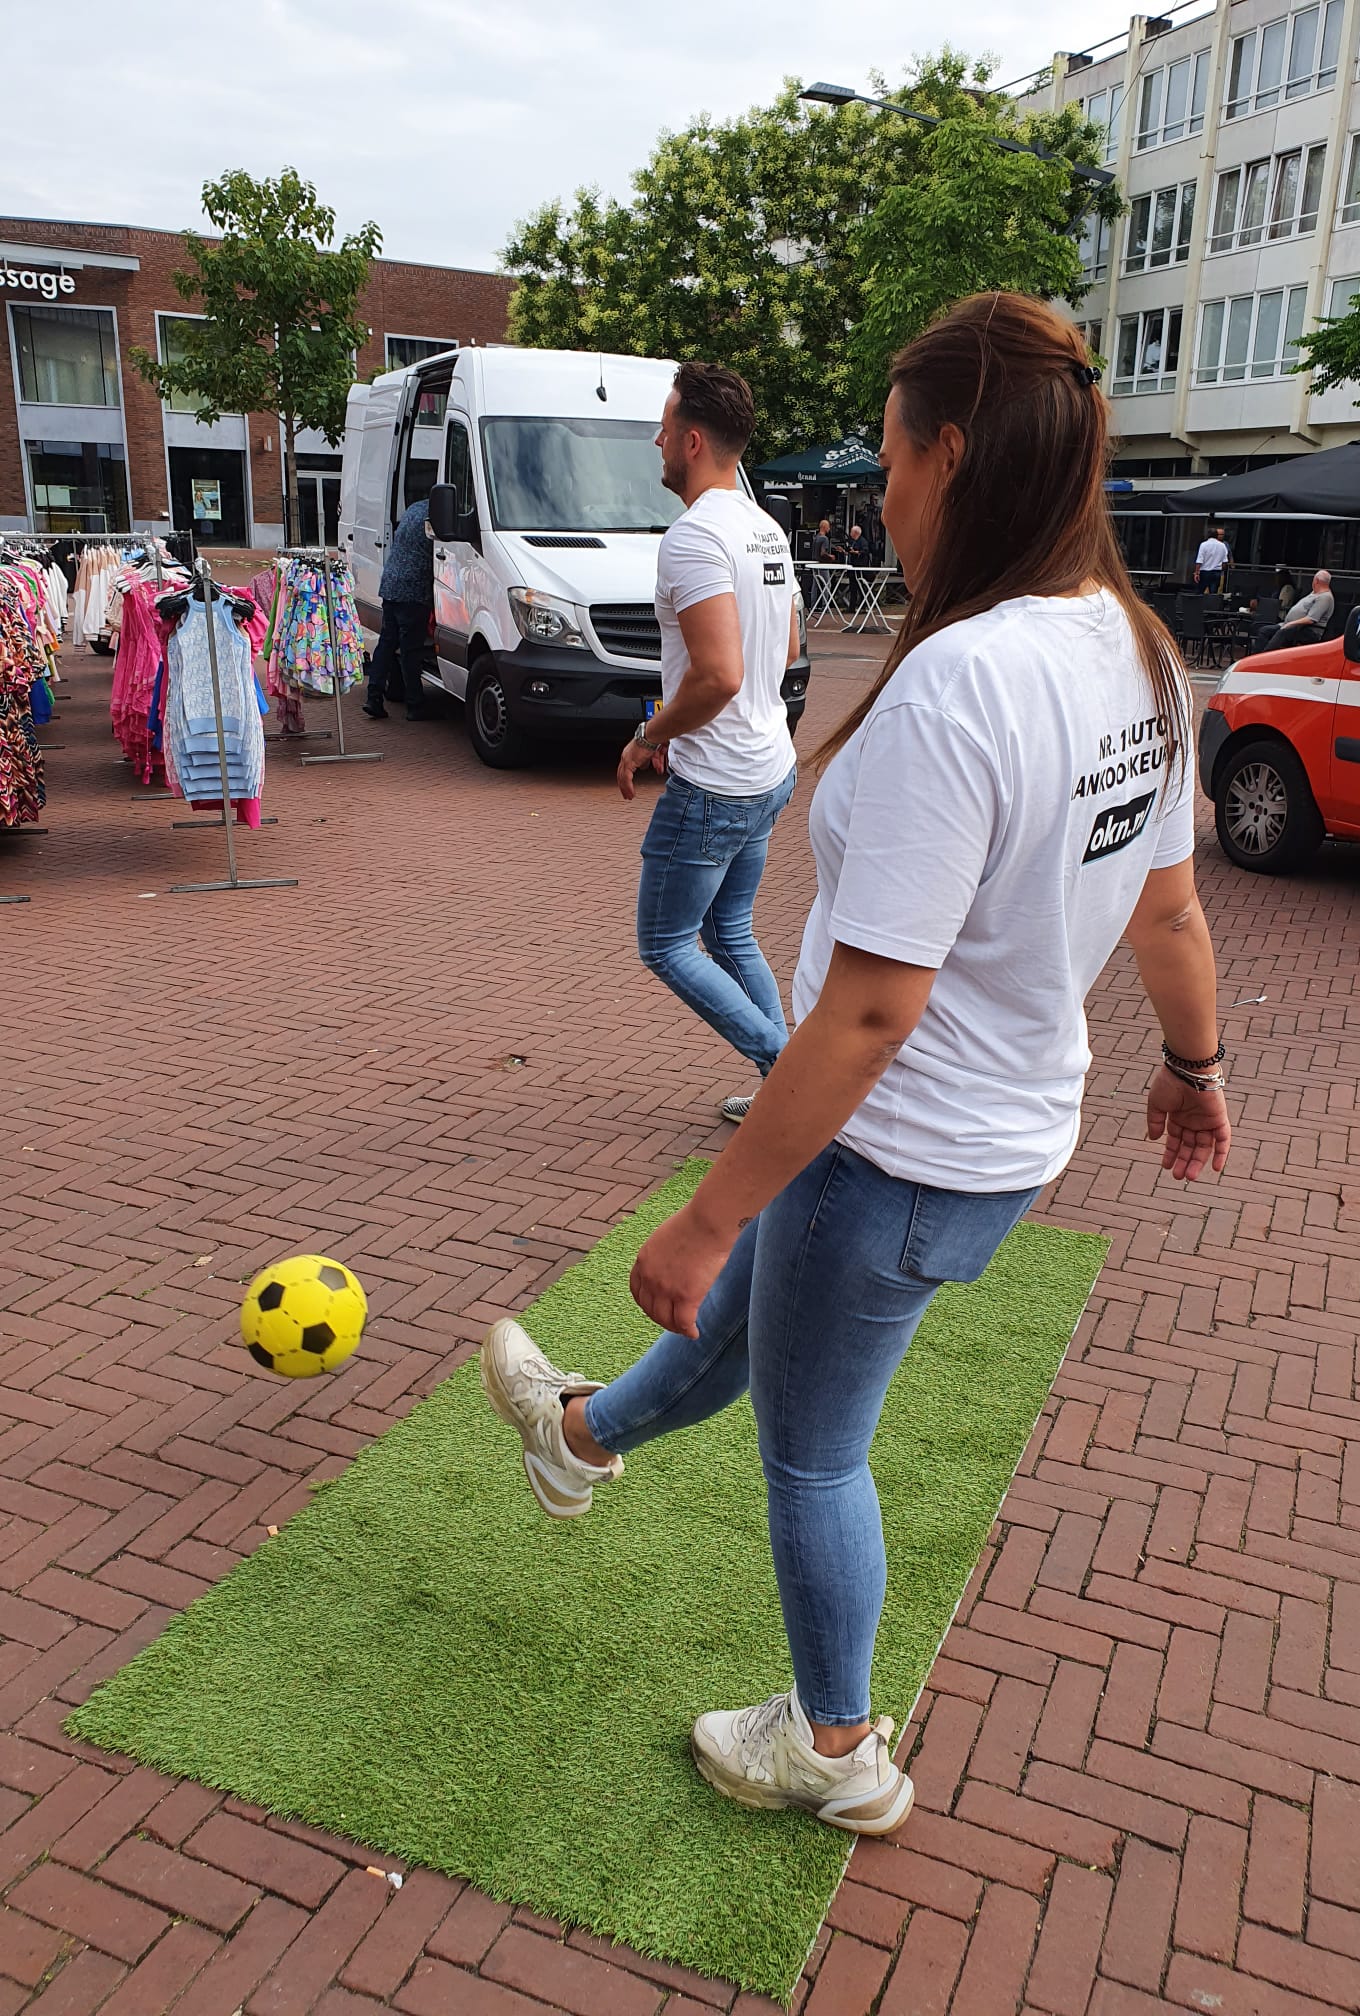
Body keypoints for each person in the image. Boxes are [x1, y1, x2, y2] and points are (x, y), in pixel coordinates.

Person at [480, 294, 1230, 1839]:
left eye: (891, 456)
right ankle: (577, 1439)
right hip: (1002, 1143)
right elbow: (1168, 907)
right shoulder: (1138, 648)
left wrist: (705, 1211)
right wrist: (1194, 1066)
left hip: (899, 1150)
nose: (879, 492)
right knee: (756, 1335)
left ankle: (834, 1747)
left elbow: (873, 1014)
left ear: (950, 454)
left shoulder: (966, 682)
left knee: (811, 1448)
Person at [615, 359, 800, 1126]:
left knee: (666, 943)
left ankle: (795, 1080)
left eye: (663, 428)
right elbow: (784, 651)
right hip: (768, 768)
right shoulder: (765, 528)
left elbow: (719, 676)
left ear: (691, 441)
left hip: (719, 779)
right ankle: (784, 1080)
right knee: (728, 929)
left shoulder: (692, 539)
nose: (655, 440)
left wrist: (645, 737)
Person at [364, 497, 435, 721]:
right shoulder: (436, 518)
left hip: (391, 584)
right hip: (413, 590)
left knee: (386, 644)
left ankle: (373, 697)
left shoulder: (414, 508)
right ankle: (415, 703)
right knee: (409, 650)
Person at [1255, 569, 1334, 652]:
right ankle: (1255, 657)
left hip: (1308, 631)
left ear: (1316, 581)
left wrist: (1290, 624)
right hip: (1291, 626)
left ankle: (1266, 658)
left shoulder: (1325, 597)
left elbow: (1311, 619)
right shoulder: (1314, 593)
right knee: (1264, 631)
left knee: (1283, 632)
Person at [1193, 525, 1230, 593]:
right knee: (1213, 593)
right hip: (1216, 572)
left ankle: (1199, 603)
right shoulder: (1222, 545)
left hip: (1204, 572)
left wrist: (1197, 573)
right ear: (1217, 535)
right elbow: (1225, 561)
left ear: (1208, 535)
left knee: (1199, 592)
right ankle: (1212, 603)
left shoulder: (1204, 545)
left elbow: (1199, 560)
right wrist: (1221, 570)